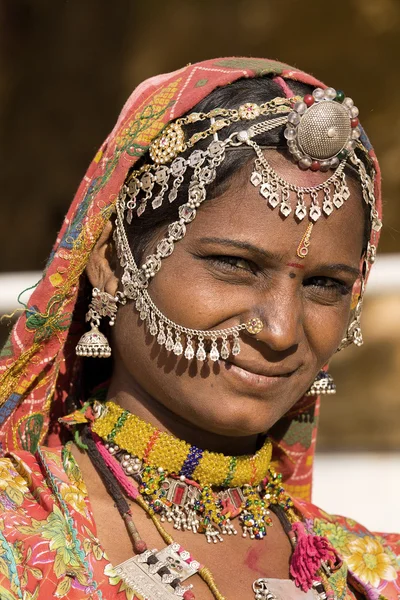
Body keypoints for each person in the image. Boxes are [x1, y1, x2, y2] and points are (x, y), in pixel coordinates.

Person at [0, 57, 398, 600]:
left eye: (324, 285)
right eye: (235, 265)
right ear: (113, 262)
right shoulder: (16, 536)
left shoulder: (370, 573)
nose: (280, 331)